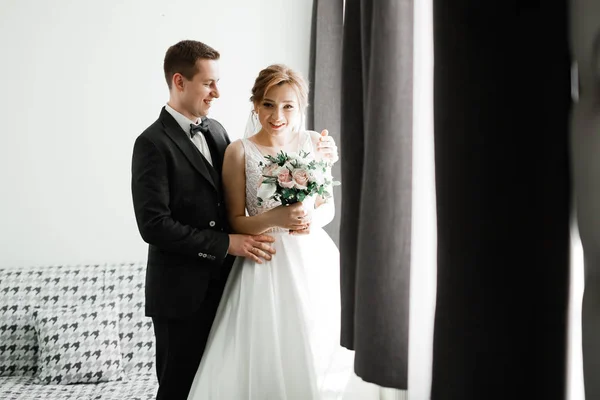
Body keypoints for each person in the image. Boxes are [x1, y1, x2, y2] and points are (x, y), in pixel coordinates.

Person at [131, 41, 339, 400]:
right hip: (182, 290)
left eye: (218, 82)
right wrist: (228, 241)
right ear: (179, 81)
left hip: (228, 279)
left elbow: (228, 201)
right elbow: (154, 225)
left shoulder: (215, 132)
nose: (217, 92)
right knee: (179, 386)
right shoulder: (151, 143)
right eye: (209, 83)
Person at [186, 64, 347, 399]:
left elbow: (328, 206)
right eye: (269, 104)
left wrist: (305, 221)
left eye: (288, 105)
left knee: (318, 343)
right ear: (256, 105)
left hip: (312, 257)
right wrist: (276, 218)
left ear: (300, 107)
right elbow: (235, 220)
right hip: (264, 259)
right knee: (268, 348)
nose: (278, 115)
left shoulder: (316, 142)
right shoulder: (239, 151)